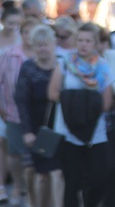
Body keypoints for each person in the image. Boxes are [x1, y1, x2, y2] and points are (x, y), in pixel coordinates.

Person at [47, 22, 114, 207]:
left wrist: (86, 109)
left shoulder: (103, 66)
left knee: (98, 178)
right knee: (72, 181)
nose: (84, 44)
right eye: (80, 40)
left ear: (96, 43)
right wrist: (76, 103)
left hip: (95, 132)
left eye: (88, 41)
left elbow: (107, 102)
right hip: (68, 132)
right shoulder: (64, 64)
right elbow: (53, 93)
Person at [15, 25, 62, 207]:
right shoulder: (28, 68)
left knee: (58, 172)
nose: (43, 48)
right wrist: (27, 131)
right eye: (38, 45)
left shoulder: (63, 64)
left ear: (53, 44)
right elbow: (22, 101)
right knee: (42, 174)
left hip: (60, 127)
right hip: (37, 128)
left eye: (46, 44)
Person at [0, 13, 35, 205]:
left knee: (33, 157)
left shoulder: (42, 55)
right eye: (27, 32)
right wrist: (1, 108)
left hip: (35, 113)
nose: (30, 36)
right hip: (12, 112)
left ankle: (30, 192)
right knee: (14, 153)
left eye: (33, 32)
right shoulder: (9, 54)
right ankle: (18, 187)